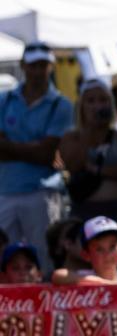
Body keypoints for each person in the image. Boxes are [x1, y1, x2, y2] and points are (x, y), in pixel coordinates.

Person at [0, 42, 74, 275]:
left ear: (51, 67)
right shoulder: (4, 99)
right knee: (4, 258)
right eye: (33, 65)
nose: (38, 71)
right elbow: (42, 152)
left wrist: (10, 147)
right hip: (6, 190)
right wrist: (36, 148)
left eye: (43, 65)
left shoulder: (62, 104)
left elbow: (49, 153)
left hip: (43, 193)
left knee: (43, 258)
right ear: (23, 66)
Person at [59, 78, 117, 222]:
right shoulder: (71, 137)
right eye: (90, 101)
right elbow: (73, 165)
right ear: (81, 106)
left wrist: (98, 170)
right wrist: (88, 129)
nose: (98, 106)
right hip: (84, 211)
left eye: (103, 100)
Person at [52, 216, 117, 285]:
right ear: (86, 255)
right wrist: (106, 284)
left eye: (112, 247)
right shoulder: (83, 276)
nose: (107, 255)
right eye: (99, 249)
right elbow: (58, 275)